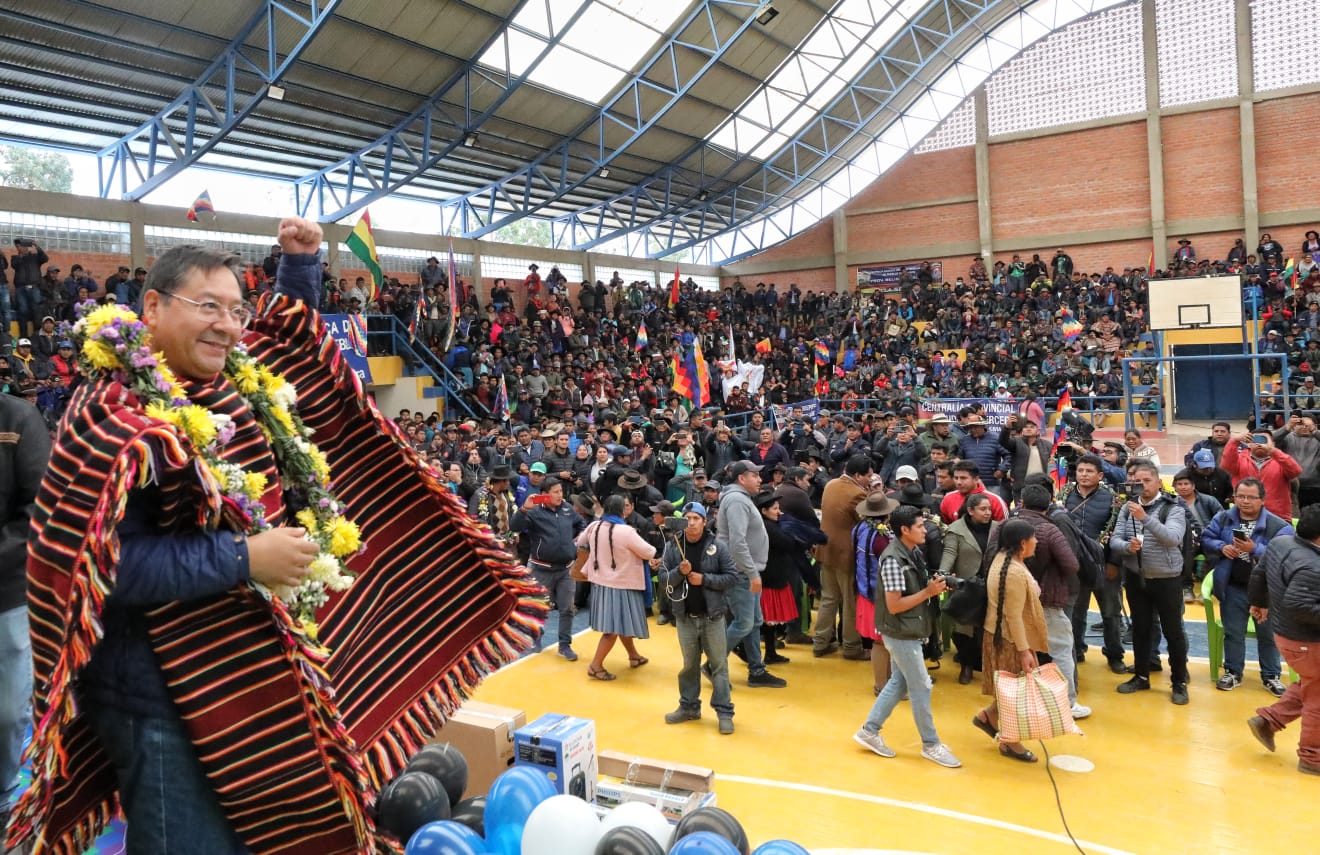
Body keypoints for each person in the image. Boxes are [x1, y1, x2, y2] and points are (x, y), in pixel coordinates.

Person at [14, 220, 543, 855]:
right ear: (150, 307)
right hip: (161, 702)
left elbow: (284, 349)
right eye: (207, 306)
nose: (228, 325)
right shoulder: (113, 411)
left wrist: (301, 263)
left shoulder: (224, 383)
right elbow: (99, 566)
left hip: (247, 686)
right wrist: (243, 557)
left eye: (236, 310)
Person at [851, 506, 961, 769]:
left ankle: (869, 730)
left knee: (899, 682)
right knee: (921, 685)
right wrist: (928, 592)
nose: (925, 530)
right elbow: (895, 606)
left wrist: (931, 585)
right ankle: (931, 744)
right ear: (904, 530)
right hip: (901, 632)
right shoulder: (892, 561)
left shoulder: (912, 553)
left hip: (910, 629)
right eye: (920, 526)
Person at [989, 485, 1085, 718]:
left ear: (1021, 502)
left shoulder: (1003, 526)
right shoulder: (1050, 531)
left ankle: (1012, 706)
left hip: (1005, 599)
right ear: (1049, 504)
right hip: (1047, 598)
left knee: (1017, 652)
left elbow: (990, 555)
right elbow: (1072, 565)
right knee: (1060, 648)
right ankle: (1068, 702)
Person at [1, 390, 51, 829]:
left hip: (7, 593)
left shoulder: (18, 418)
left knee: (7, 711)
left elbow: (38, 511)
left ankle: (1, 799)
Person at [1201, 478, 1293, 696]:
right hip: (1233, 586)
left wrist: (1256, 549)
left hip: (1267, 591)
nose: (1244, 501)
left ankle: (1271, 675)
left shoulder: (1279, 525)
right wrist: (1222, 547)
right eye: (1240, 496)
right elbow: (1206, 538)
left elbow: (1286, 555)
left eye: (1251, 497)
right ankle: (1233, 672)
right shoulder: (1223, 518)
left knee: (1268, 634)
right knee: (1233, 633)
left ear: (1262, 499)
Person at [1111, 460, 1191, 705]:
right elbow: (1114, 539)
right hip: (1137, 578)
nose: (1142, 485)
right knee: (1141, 629)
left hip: (1167, 579)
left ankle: (1178, 681)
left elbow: (1172, 538)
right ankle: (1141, 675)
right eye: (1138, 481)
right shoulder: (1127, 508)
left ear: (1158, 482)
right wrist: (1127, 546)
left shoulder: (1173, 508)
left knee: (1173, 631)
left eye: (1147, 481)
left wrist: (1145, 518)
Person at [1247, 507, 1320, 774]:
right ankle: (1312, 758)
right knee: (1318, 701)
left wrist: (1258, 602)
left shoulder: (1280, 542)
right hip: (1307, 642)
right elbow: (1298, 605)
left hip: (1286, 635)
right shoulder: (1313, 566)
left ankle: (1268, 721)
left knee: (1311, 684)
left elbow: (1258, 574)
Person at [971, 519, 1047, 762]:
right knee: (1016, 693)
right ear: (1023, 543)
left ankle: (988, 717)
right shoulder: (1013, 571)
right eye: (1033, 538)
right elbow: (1013, 616)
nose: (1037, 542)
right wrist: (1025, 651)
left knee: (1010, 688)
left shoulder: (1004, 560)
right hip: (1011, 639)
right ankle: (1010, 742)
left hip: (1003, 635)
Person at [660, 503, 739, 733]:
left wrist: (703, 579)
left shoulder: (718, 547)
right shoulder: (673, 547)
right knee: (689, 666)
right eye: (688, 518)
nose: (692, 522)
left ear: (705, 521)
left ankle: (724, 712)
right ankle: (689, 706)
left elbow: (732, 577)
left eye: (696, 518)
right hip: (684, 618)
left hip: (713, 617)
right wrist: (679, 573)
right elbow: (664, 579)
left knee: (719, 667)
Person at [718, 461, 788, 687]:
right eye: (755, 476)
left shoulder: (741, 499)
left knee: (754, 622)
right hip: (742, 573)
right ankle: (713, 665)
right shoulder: (737, 501)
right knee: (744, 623)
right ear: (741, 479)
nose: (760, 480)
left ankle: (757, 670)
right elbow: (737, 542)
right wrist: (751, 572)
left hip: (747, 571)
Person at [578, 494, 657, 680]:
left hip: (600, 584)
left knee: (620, 623)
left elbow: (581, 542)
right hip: (622, 584)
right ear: (623, 510)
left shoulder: (594, 526)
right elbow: (649, 552)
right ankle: (595, 666)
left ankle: (633, 656)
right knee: (612, 629)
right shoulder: (626, 531)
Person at [512, 478, 587, 662]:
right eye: (555, 492)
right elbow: (515, 526)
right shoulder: (535, 511)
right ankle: (536, 638)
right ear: (545, 494)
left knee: (567, 609)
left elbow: (581, 524)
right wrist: (524, 509)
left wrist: (578, 540)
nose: (559, 495)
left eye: (560, 491)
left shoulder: (568, 509)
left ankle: (565, 645)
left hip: (566, 570)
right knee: (539, 607)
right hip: (541, 569)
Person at [815, 455, 874, 660]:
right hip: (845, 555)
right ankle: (851, 647)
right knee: (850, 602)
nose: (871, 478)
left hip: (825, 549)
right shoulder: (857, 494)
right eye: (868, 475)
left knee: (829, 598)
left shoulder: (831, 484)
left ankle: (820, 642)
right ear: (857, 475)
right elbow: (870, 520)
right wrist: (873, 494)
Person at [940, 493, 993, 684]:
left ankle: (989, 667)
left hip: (992, 585)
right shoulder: (956, 530)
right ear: (970, 511)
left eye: (989, 508)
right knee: (964, 629)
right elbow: (949, 553)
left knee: (990, 629)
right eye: (983, 509)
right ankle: (966, 666)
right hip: (966, 586)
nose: (988, 513)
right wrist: (943, 574)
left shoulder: (998, 529)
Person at [853, 493, 900, 694]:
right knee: (881, 642)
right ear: (887, 515)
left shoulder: (859, 529)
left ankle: (885, 682)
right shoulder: (880, 540)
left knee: (879, 642)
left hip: (865, 591)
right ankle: (882, 685)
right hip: (878, 596)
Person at [1220, 430, 1302, 524]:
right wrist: (1234, 441)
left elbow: (1296, 471)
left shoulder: (1281, 460)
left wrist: (1273, 451)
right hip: (1244, 515)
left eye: (1264, 440)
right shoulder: (1239, 460)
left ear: (1273, 443)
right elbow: (1226, 465)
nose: (1259, 444)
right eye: (1255, 440)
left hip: (1277, 516)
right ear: (1249, 444)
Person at [756, 490, 798, 665]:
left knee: (768, 621)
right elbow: (789, 543)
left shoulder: (767, 525)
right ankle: (767, 652)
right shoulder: (770, 528)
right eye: (775, 508)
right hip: (771, 579)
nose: (779, 512)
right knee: (767, 619)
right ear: (764, 511)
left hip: (771, 577)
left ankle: (770, 651)